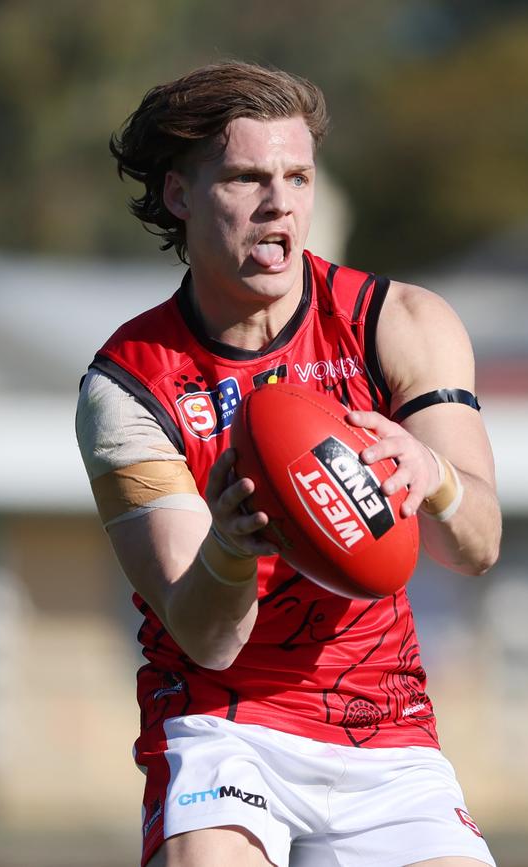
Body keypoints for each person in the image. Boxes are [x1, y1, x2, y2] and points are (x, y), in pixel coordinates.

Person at [76, 61, 502, 867]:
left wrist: (432, 475)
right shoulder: (130, 386)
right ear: (178, 195)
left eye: (297, 176)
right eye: (246, 177)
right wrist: (231, 548)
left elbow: (476, 547)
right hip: (222, 727)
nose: (280, 203)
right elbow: (205, 637)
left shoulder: (398, 322)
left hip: (386, 726)